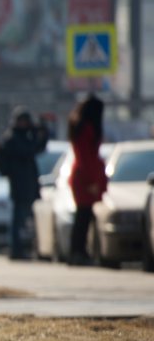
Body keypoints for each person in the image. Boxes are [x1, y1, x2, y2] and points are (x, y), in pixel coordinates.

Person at [0, 107, 48, 260]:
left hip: (30, 183)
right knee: (18, 218)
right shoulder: (12, 138)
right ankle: (16, 249)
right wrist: (35, 132)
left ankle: (34, 248)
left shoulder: (26, 136)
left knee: (31, 219)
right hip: (19, 184)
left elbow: (39, 148)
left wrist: (42, 131)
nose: (25, 125)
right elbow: (28, 150)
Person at [67, 95, 108, 266]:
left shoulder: (80, 126)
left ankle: (80, 251)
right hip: (85, 177)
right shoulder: (86, 129)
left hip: (84, 175)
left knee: (84, 216)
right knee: (83, 216)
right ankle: (77, 252)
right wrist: (91, 181)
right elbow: (86, 157)